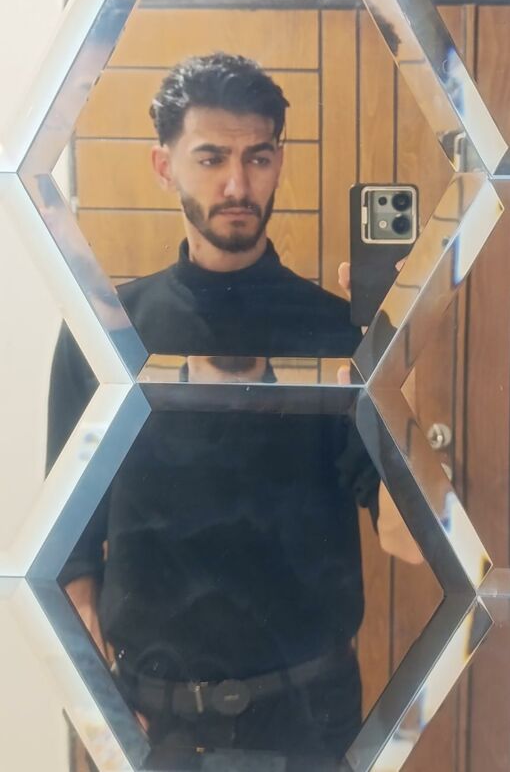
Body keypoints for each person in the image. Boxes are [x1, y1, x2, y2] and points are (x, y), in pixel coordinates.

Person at [47, 52, 421, 769]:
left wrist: (401, 362)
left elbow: (408, 537)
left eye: (258, 157)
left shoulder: (336, 334)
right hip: (148, 724)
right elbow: (70, 552)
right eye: (211, 157)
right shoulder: (104, 335)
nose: (237, 185)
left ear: (279, 162)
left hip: (312, 724)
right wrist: (100, 708)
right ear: (164, 165)